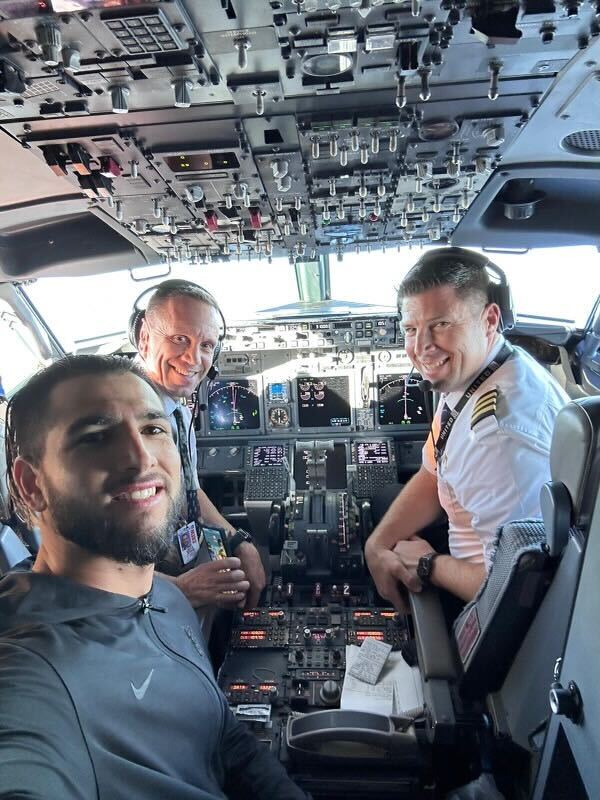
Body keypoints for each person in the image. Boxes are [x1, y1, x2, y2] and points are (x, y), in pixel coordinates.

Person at [0, 355, 308, 800]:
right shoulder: (28, 673)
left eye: (152, 429)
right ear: (31, 485)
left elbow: (223, 738)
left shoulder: (165, 596)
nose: (141, 458)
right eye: (96, 437)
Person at [365, 247, 568, 609]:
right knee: (383, 509)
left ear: (489, 320)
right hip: (475, 542)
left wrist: (427, 564)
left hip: (481, 596)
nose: (422, 347)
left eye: (441, 324)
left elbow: (512, 590)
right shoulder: (480, 370)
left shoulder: (498, 439)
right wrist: (376, 545)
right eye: (411, 329)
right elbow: (435, 468)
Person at [131, 280, 266, 625]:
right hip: (138, 607)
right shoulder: (122, 423)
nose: (194, 358)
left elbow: (188, 488)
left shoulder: (178, 411)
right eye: (180, 339)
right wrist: (180, 590)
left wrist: (239, 541)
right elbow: (91, 557)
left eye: (206, 345)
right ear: (144, 337)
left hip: (177, 567)